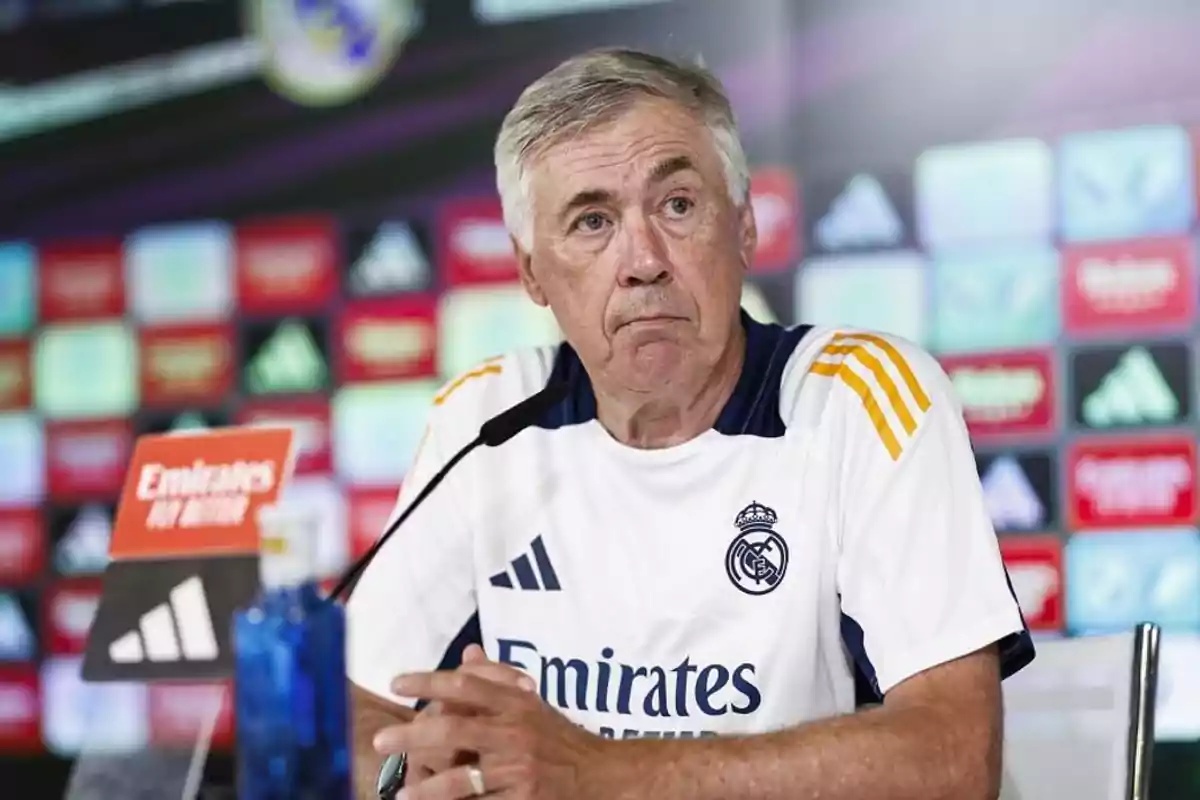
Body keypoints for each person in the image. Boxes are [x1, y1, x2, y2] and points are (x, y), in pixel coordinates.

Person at [346, 47, 1034, 800]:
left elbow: (953, 760)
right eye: (592, 220)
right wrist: (425, 778)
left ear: (743, 228)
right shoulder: (485, 421)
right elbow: (362, 704)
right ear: (532, 273)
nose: (643, 260)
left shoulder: (860, 401)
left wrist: (596, 775)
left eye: (677, 205)